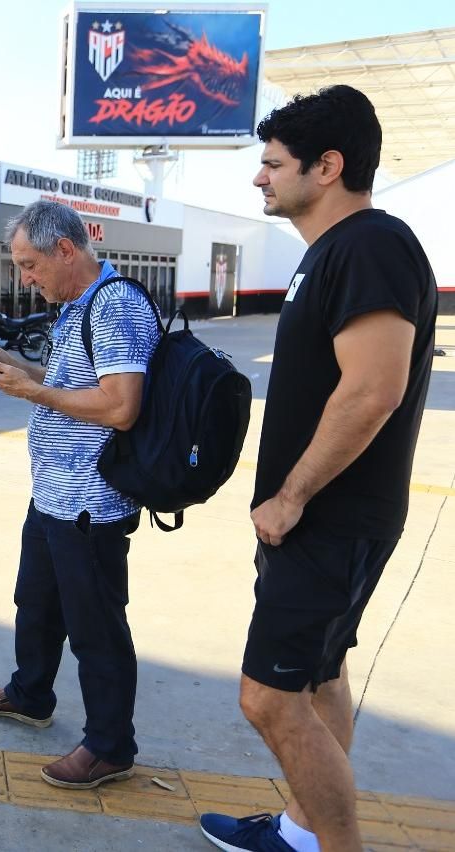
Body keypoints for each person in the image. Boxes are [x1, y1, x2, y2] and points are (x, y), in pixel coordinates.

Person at [199, 86, 438, 852]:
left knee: (268, 698)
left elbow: (374, 389)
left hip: (329, 518)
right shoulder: (331, 254)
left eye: (272, 164)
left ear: (327, 167)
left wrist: (292, 497)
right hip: (326, 519)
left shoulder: (371, 244)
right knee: (318, 676)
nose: (259, 179)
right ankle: (305, 832)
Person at [0, 200, 160, 791]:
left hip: (91, 505)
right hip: (53, 492)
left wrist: (30, 392)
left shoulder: (117, 305)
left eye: (29, 264)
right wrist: (14, 365)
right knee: (37, 602)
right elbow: (71, 386)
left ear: (66, 250)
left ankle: (109, 746)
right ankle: (30, 693)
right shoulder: (78, 305)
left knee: (96, 627)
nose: (25, 277)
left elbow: (121, 406)